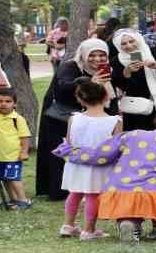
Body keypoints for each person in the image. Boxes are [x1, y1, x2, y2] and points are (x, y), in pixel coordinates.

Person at [52, 105, 156, 243]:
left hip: (124, 191)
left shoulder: (133, 135)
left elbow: (101, 155)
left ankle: (129, 222)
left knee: (128, 210)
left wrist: (70, 151)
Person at [36, 39, 115, 201]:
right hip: (62, 119)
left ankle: (86, 188)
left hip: (89, 119)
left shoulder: (106, 70)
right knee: (61, 154)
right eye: (92, 55)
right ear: (84, 54)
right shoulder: (70, 66)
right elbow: (62, 87)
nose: (97, 59)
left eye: (102, 55)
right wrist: (90, 82)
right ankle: (59, 191)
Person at [110, 29, 156, 181]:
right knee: (139, 141)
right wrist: (126, 72)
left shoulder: (154, 52)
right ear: (118, 46)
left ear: (138, 39)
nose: (129, 46)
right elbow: (118, 84)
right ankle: (142, 173)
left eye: (131, 41)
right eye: (123, 43)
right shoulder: (117, 60)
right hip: (137, 109)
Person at [59, 81, 122, 240]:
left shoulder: (74, 119)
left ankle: (68, 225)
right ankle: (89, 230)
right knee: (92, 195)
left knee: (74, 193)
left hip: (76, 163)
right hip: (100, 165)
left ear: (80, 99)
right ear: (106, 97)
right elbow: (117, 146)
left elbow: (69, 141)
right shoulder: (115, 121)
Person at [0, 88, 33, 209]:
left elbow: (24, 136)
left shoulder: (17, 119)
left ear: (14, 103)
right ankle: (13, 199)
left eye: (8, 101)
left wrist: (24, 152)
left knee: (14, 178)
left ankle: (23, 200)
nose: (3, 104)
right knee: (4, 178)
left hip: (13, 156)